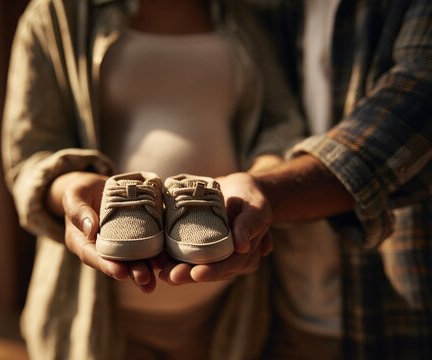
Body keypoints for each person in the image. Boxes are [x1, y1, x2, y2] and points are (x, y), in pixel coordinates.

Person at [2, 0, 303, 358]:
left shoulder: (246, 13)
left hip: (229, 308)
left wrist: (260, 182)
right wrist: (68, 187)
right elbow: (30, 151)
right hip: (94, 312)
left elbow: (278, 124)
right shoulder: (57, 13)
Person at [162, 0, 432, 358]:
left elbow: (417, 101)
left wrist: (265, 192)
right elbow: (271, 116)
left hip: (400, 310)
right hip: (285, 310)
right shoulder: (269, 9)